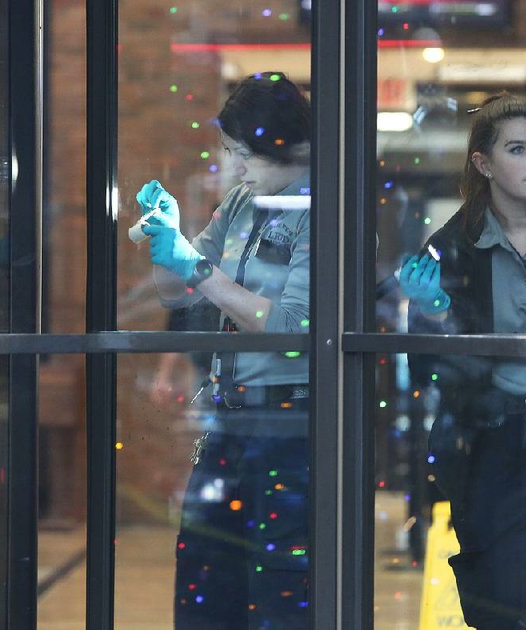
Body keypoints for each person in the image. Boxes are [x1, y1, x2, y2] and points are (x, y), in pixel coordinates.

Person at [401, 92, 526, 629]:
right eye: (518, 150)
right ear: (483, 164)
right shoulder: (454, 244)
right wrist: (432, 314)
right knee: (501, 607)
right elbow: (432, 374)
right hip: (497, 442)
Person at [134, 71, 311, 630]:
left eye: (243, 154)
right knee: (206, 577)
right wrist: (169, 238)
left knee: (282, 589)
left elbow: (288, 327)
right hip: (228, 416)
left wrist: (197, 267)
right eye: (229, 151)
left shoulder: (319, 210)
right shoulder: (239, 203)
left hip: (289, 419)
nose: (233, 167)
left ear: (283, 148)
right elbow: (174, 290)